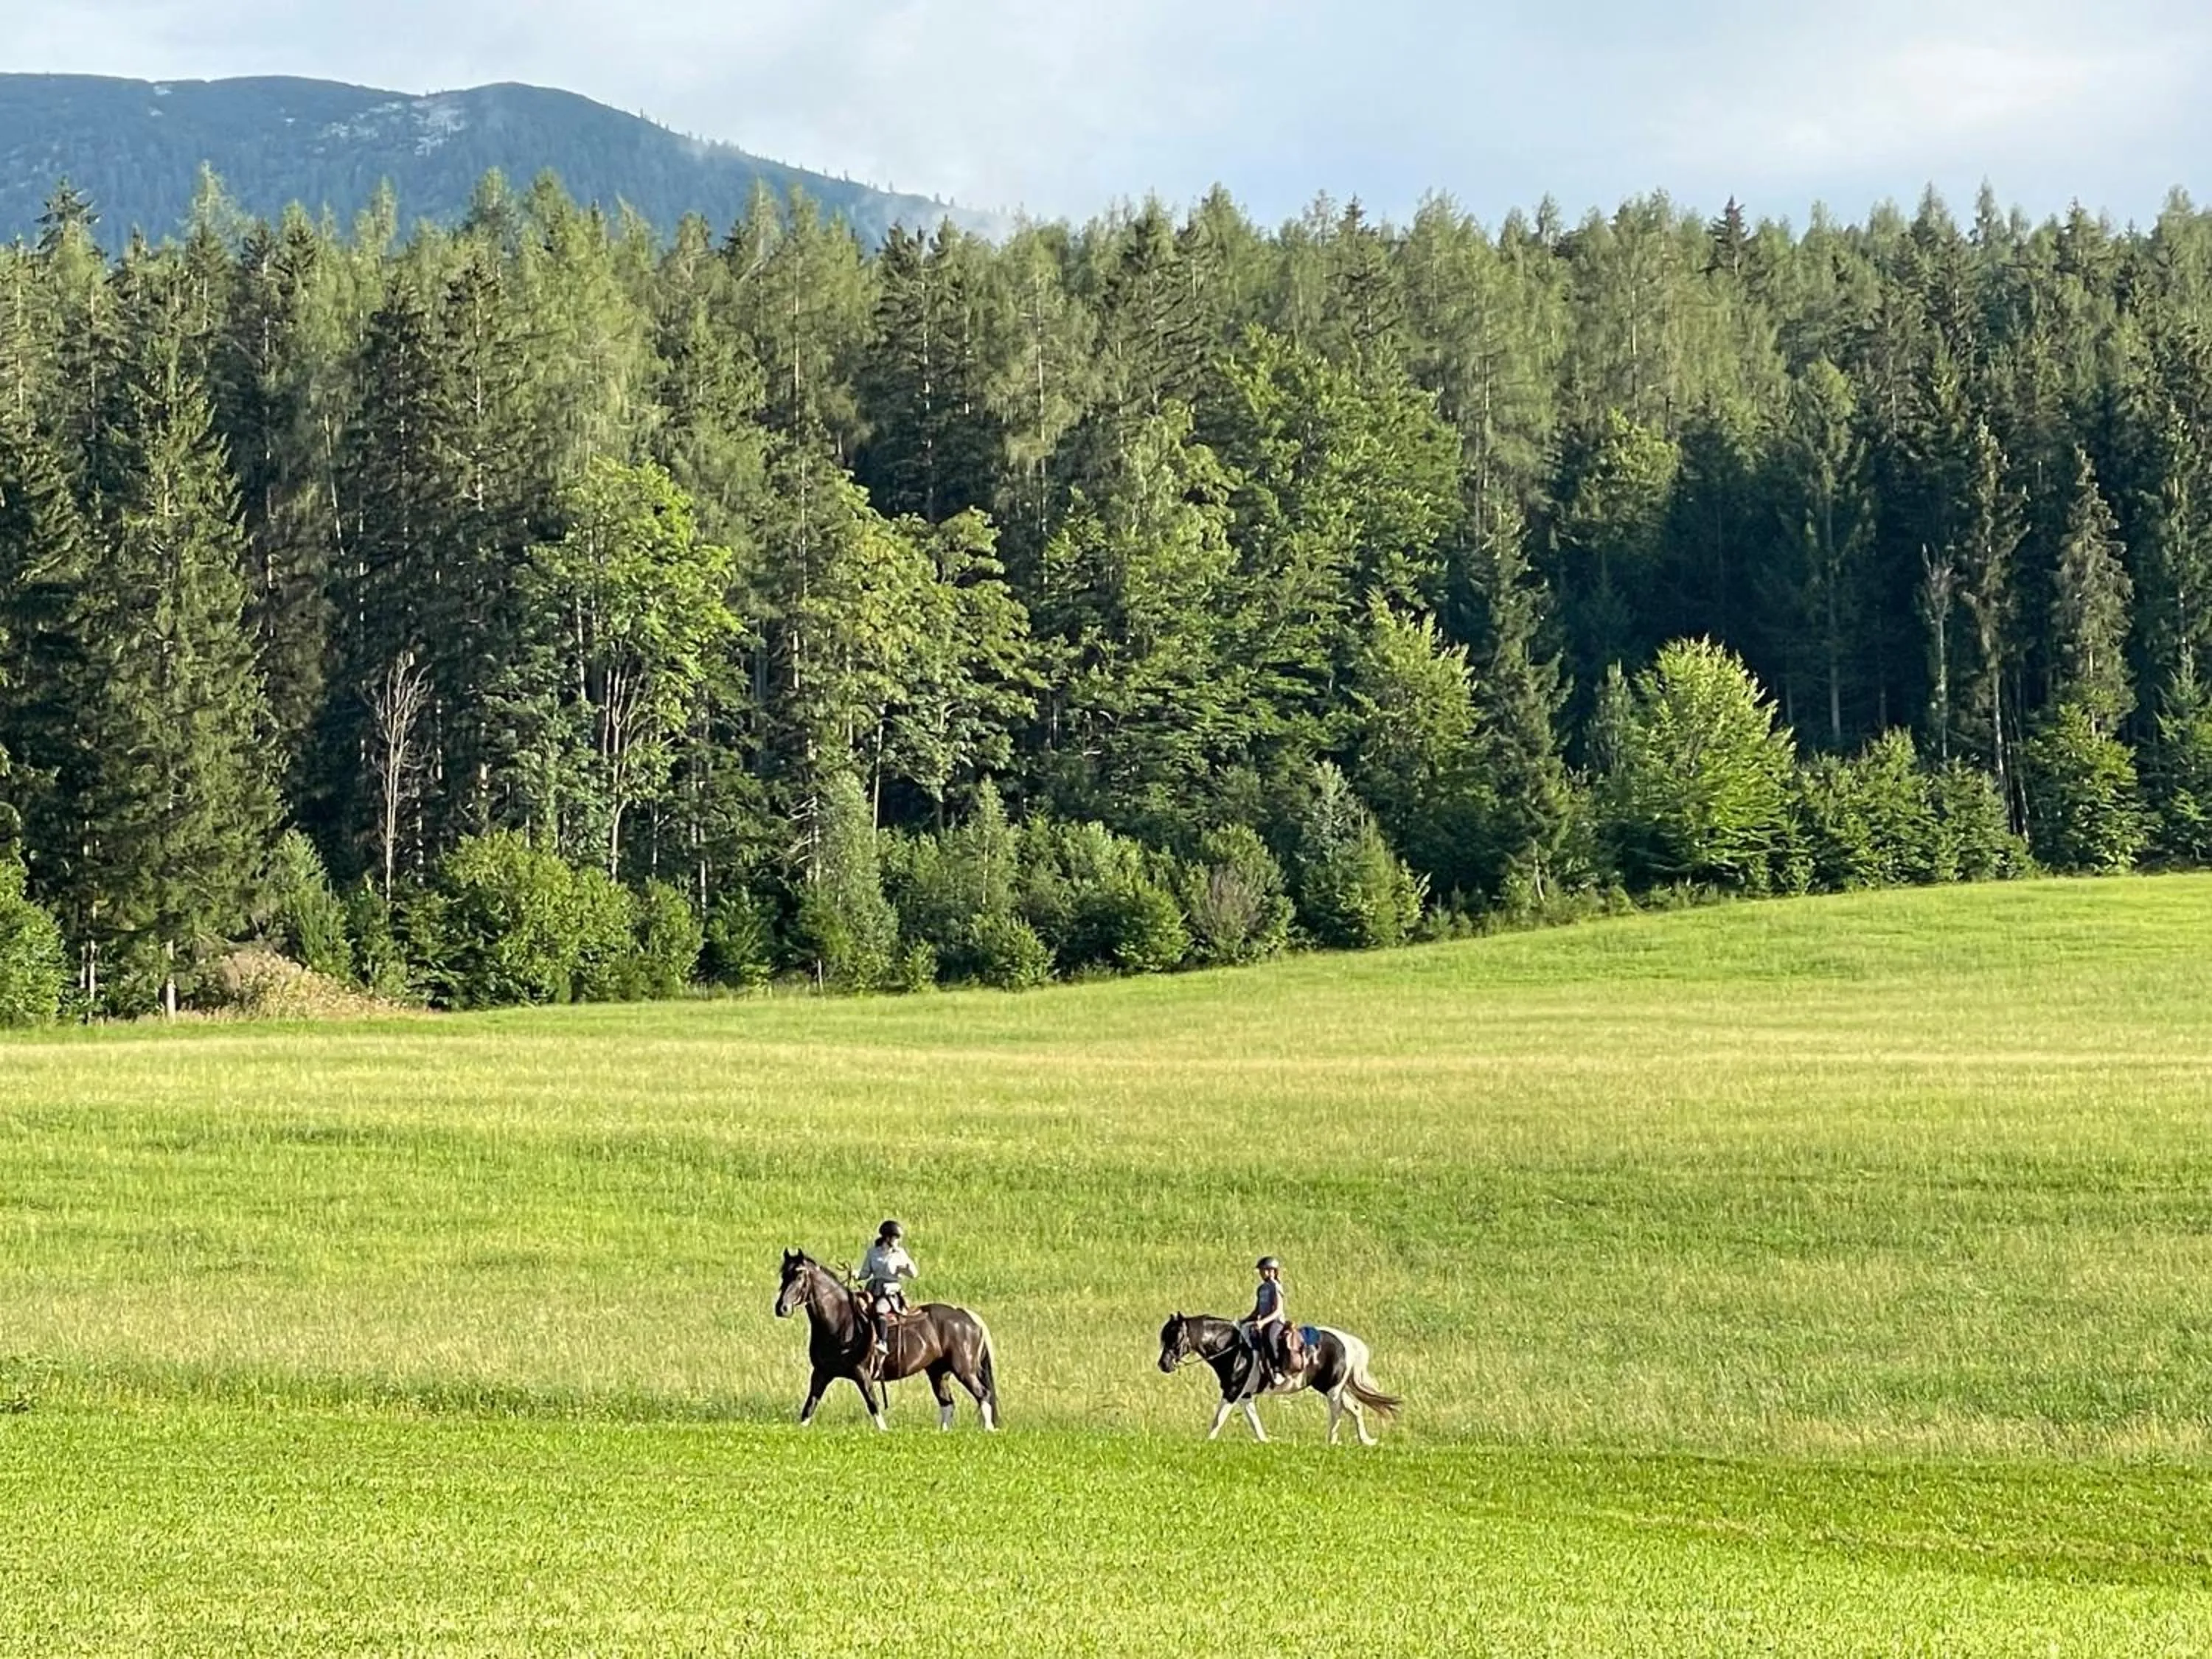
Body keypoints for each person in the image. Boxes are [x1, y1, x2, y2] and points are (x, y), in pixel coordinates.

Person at [859, 1220, 917, 1373]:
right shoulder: (873, 1253)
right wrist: (855, 1274)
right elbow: (865, 1273)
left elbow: (913, 1274)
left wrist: (905, 1268)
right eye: (896, 1238)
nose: (897, 1241)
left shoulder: (900, 1254)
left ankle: (882, 1342)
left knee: (880, 1309)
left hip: (890, 1292)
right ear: (887, 1238)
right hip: (873, 1289)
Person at [1246, 1255, 1303, 1383]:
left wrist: (1263, 1322)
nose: (1263, 1273)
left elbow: (1278, 1310)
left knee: (1270, 1338)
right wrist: (1244, 1321)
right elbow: (1257, 1310)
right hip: (1263, 1322)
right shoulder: (1261, 1289)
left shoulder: (1276, 1287)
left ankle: (1278, 1370)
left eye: (1266, 1270)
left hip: (1275, 1321)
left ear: (1274, 1271)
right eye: (1261, 1271)